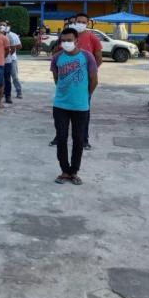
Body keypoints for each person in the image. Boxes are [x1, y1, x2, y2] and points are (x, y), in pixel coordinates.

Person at [50, 28, 98, 185]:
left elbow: (94, 80)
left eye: (69, 40)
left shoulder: (87, 56)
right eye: (63, 40)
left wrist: (85, 96)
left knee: (78, 139)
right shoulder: (57, 57)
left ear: (77, 41)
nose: (66, 43)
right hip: (60, 105)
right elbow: (56, 79)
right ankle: (64, 171)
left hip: (81, 106)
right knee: (62, 137)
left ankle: (74, 171)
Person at [49, 13, 102, 149]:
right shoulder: (67, 38)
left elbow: (98, 58)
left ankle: (84, 139)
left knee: (84, 113)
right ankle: (58, 137)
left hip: (83, 83)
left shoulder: (93, 38)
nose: (80, 23)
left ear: (87, 23)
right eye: (77, 21)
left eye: (83, 22)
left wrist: (89, 75)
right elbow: (57, 58)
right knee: (61, 115)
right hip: (66, 82)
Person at [4, 21, 23, 101]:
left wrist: (12, 51)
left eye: (5, 25)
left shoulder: (13, 35)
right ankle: (3, 92)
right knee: (3, 77)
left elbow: (19, 46)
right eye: (2, 25)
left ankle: (19, 91)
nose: (4, 26)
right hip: (2, 59)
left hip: (12, 59)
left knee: (14, 76)